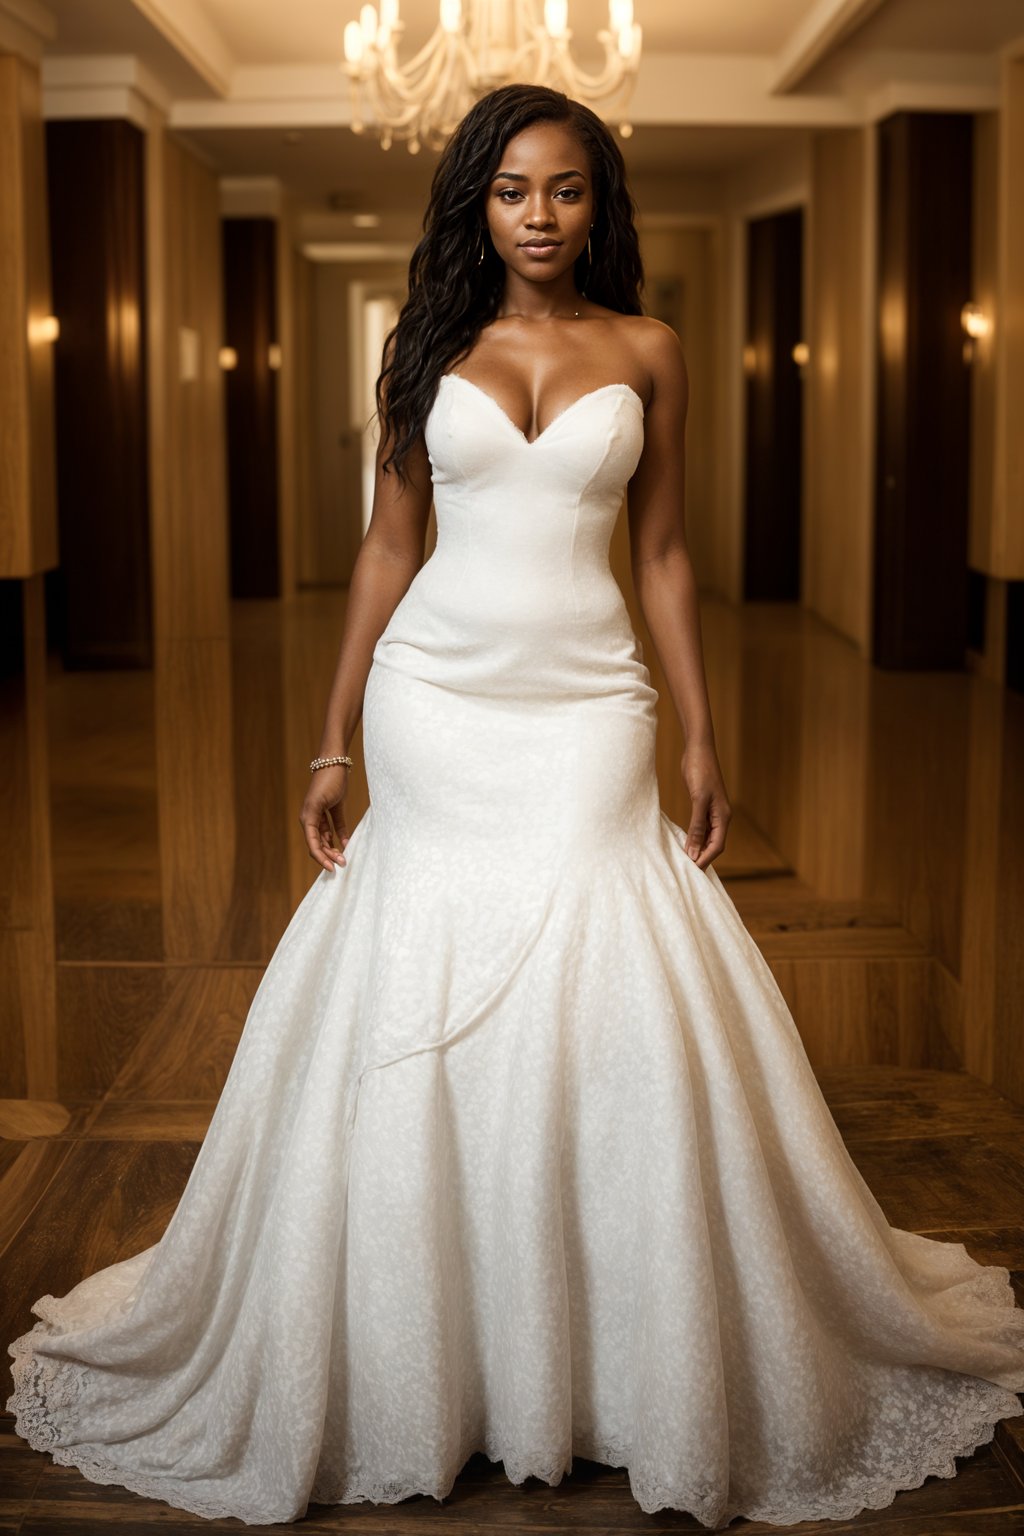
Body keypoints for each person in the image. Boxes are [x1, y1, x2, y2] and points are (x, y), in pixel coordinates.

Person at [7, 82, 1024, 1531]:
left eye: (564, 190)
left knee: (602, 970)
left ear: (600, 205)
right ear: (474, 205)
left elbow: (663, 554)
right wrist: (331, 738)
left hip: (592, 707)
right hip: (437, 700)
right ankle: (445, 1343)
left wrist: (698, 731)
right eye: (510, 190)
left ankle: (612, 1342)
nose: (539, 216)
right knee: (427, 961)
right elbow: (387, 544)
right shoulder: (421, 347)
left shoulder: (653, 351)